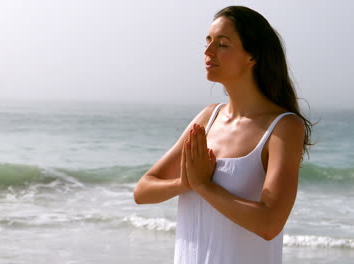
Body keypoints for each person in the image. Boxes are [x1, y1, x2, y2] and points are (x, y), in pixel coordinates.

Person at [133, 6, 313, 264]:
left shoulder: (283, 128)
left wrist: (204, 186)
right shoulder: (208, 118)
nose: (208, 52)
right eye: (208, 42)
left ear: (252, 57)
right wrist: (183, 183)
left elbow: (269, 224)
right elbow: (142, 191)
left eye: (222, 44)